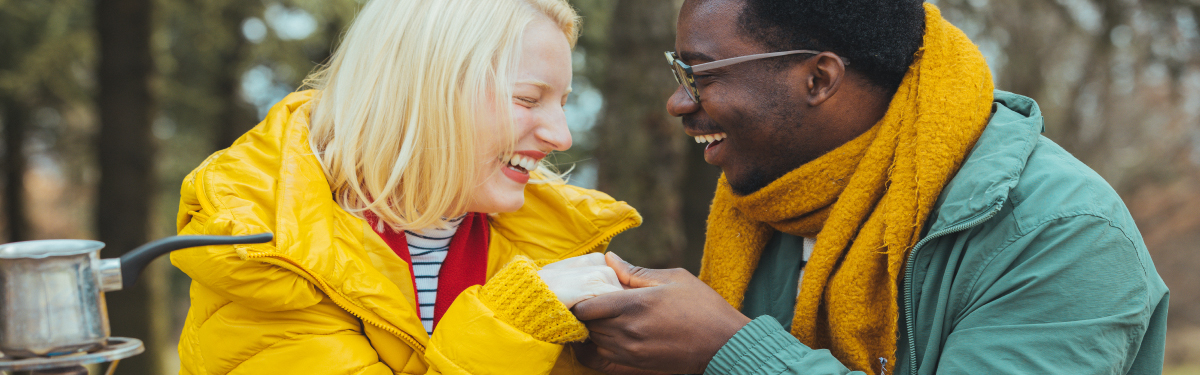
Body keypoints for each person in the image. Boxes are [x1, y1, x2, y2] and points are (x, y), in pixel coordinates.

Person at [570, 0, 1169, 374]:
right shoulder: (772, 197)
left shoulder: (1062, 235)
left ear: (819, 78)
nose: (677, 102)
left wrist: (729, 351)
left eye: (698, 73)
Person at [170, 0, 636, 373]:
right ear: (423, 91)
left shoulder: (551, 241)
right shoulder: (271, 250)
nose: (562, 135)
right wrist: (516, 321)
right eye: (528, 99)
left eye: (562, 103)